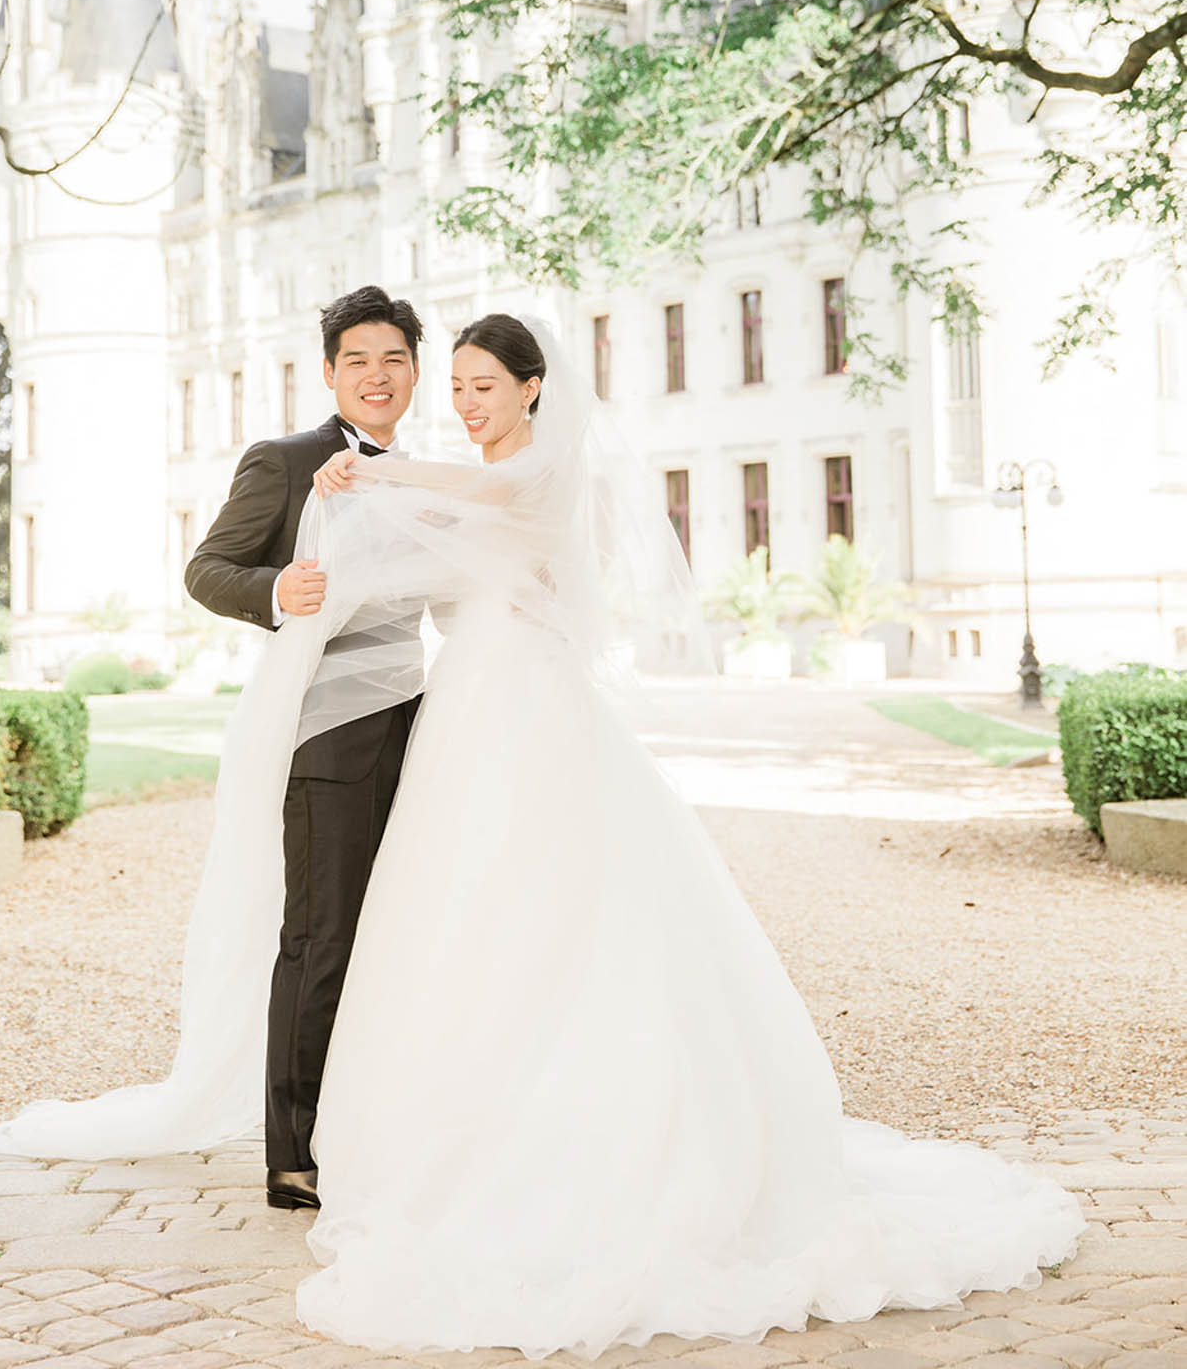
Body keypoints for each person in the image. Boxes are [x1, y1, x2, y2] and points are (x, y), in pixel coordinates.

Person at [288, 312, 1083, 1356]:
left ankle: (598, 1138)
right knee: (467, 915)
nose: (470, 400)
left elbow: (482, 500)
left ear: (535, 388)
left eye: (488, 383)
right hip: (468, 710)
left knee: (555, 909)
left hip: (528, 712)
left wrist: (375, 474)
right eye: (463, 385)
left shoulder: (537, 473)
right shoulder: (474, 477)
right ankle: (469, 1124)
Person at [181, 283, 426, 1211]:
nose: (376, 375)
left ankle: (373, 1125)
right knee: (320, 937)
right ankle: (293, 1152)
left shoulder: (424, 475)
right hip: (327, 726)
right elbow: (207, 568)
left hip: (423, 719)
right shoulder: (285, 463)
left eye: (393, 359)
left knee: (400, 934)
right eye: (356, 359)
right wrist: (283, 591)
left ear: (413, 375)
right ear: (330, 374)